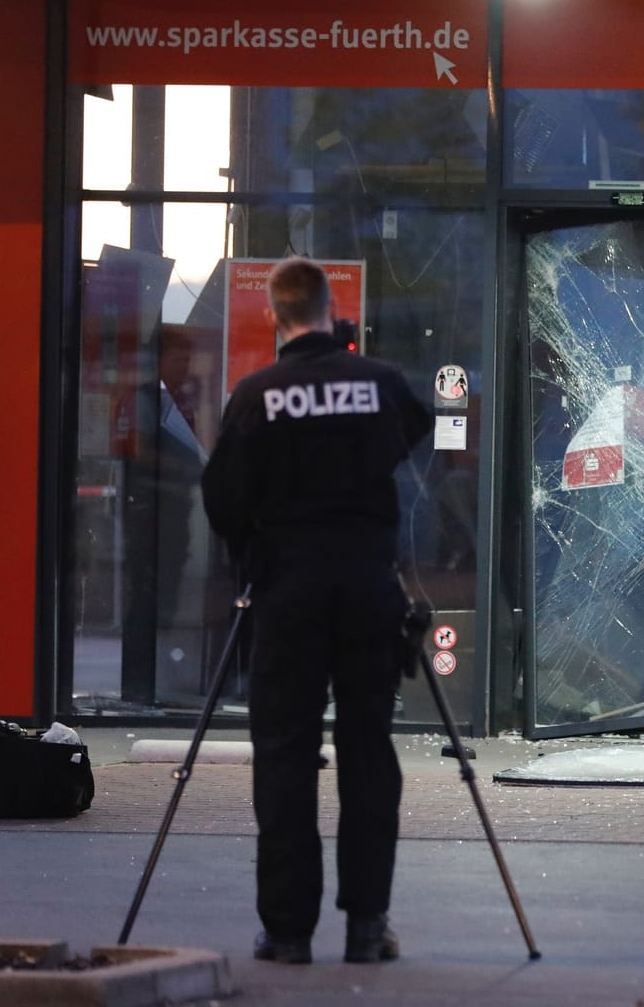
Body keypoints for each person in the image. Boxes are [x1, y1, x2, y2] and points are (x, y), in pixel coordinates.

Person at [202, 257, 429, 965]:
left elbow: (223, 498)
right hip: (368, 587)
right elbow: (414, 435)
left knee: (285, 756)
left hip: (289, 593)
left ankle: (289, 930)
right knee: (369, 751)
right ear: (333, 312)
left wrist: (258, 547)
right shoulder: (381, 383)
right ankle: (367, 926)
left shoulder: (258, 394)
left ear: (275, 316)